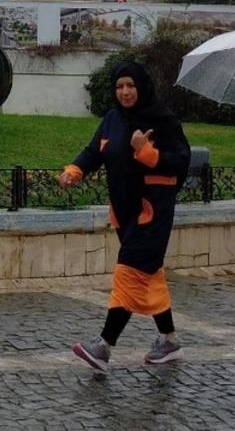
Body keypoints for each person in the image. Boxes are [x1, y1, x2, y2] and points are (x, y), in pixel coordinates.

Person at [58, 60, 191, 372]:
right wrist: (74, 170)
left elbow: (181, 161)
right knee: (150, 276)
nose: (125, 91)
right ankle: (169, 341)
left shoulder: (162, 120)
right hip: (124, 212)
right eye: (119, 86)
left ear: (141, 86)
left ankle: (103, 347)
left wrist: (147, 152)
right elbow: (94, 151)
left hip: (152, 212)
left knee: (129, 274)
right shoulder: (113, 119)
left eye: (131, 85)